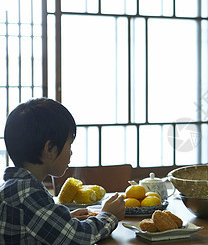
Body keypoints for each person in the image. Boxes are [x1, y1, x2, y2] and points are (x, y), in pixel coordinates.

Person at [0, 98, 125, 244]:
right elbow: (77, 238)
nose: (71, 153)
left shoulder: (16, 187)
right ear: (50, 149)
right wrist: (109, 215)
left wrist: (65, 219)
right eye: (69, 145)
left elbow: (34, 224)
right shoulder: (27, 193)